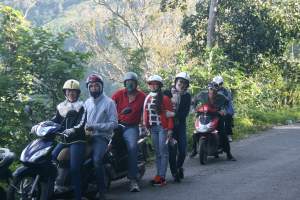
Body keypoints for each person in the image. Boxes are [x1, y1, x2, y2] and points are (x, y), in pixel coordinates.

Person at [51, 79, 86, 200]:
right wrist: (43, 125)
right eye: (68, 91)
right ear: (65, 92)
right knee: (51, 157)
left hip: (77, 140)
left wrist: (73, 130)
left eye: (74, 91)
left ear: (77, 93)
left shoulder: (82, 106)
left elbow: (81, 123)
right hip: (64, 140)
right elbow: (55, 120)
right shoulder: (61, 106)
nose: (71, 93)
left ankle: (78, 196)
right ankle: (55, 185)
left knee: (75, 168)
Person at [84, 74, 118, 200]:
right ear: (88, 88)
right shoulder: (86, 103)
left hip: (102, 137)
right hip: (86, 137)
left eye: (96, 85)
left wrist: (95, 126)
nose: (94, 88)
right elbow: (83, 121)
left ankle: (102, 190)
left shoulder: (109, 103)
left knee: (97, 160)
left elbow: (113, 124)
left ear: (101, 86)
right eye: (91, 86)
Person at [111, 72, 146, 192]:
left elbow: (146, 112)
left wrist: (144, 125)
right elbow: (108, 106)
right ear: (125, 83)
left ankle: (133, 180)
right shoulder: (118, 94)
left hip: (131, 127)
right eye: (127, 82)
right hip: (116, 125)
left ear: (136, 84)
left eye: (132, 82)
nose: (130, 84)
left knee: (132, 147)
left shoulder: (142, 97)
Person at [190, 82, 236, 161]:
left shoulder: (221, 97)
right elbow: (193, 101)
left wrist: (223, 110)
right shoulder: (202, 94)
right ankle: (194, 150)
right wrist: (193, 109)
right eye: (211, 89)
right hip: (203, 115)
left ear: (217, 90)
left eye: (215, 90)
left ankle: (228, 154)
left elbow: (228, 103)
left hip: (216, 116)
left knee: (222, 133)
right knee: (196, 132)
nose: (212, 91)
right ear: (208, 89)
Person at [143, 75, 174, 186]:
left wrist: (170, 129)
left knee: (163, 151)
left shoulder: (165, 98)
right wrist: (145, 126)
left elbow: (170, 115)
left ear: (160, 85)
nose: (153, 85)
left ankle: (162, 176)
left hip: (163, 128)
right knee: (157, 152)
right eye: (151, 83)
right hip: (153, 128)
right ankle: (158, 174)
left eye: (156, 83)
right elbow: (145, 113)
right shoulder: (148, 98)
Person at [164, 72, 191, 182]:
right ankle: (174, 172)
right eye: (180, 82)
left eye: (184, 83)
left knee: (183, 149)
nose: (182, 84)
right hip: (169, 126)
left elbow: (185, 113)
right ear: (176, 82)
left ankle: (179, 166)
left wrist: (173, 114)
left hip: (180, 125)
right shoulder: (167, 93)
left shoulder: (187, 96)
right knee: (172, 150)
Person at [212, 75, 235, 142]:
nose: (218, 86)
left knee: (227, 117)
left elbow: (228, 99)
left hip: (225, 108)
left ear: (222, 83)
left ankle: (228, 135)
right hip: (215, 108)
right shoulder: (211, 90)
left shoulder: (226, 91)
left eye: (220, 84)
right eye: (216, 84)